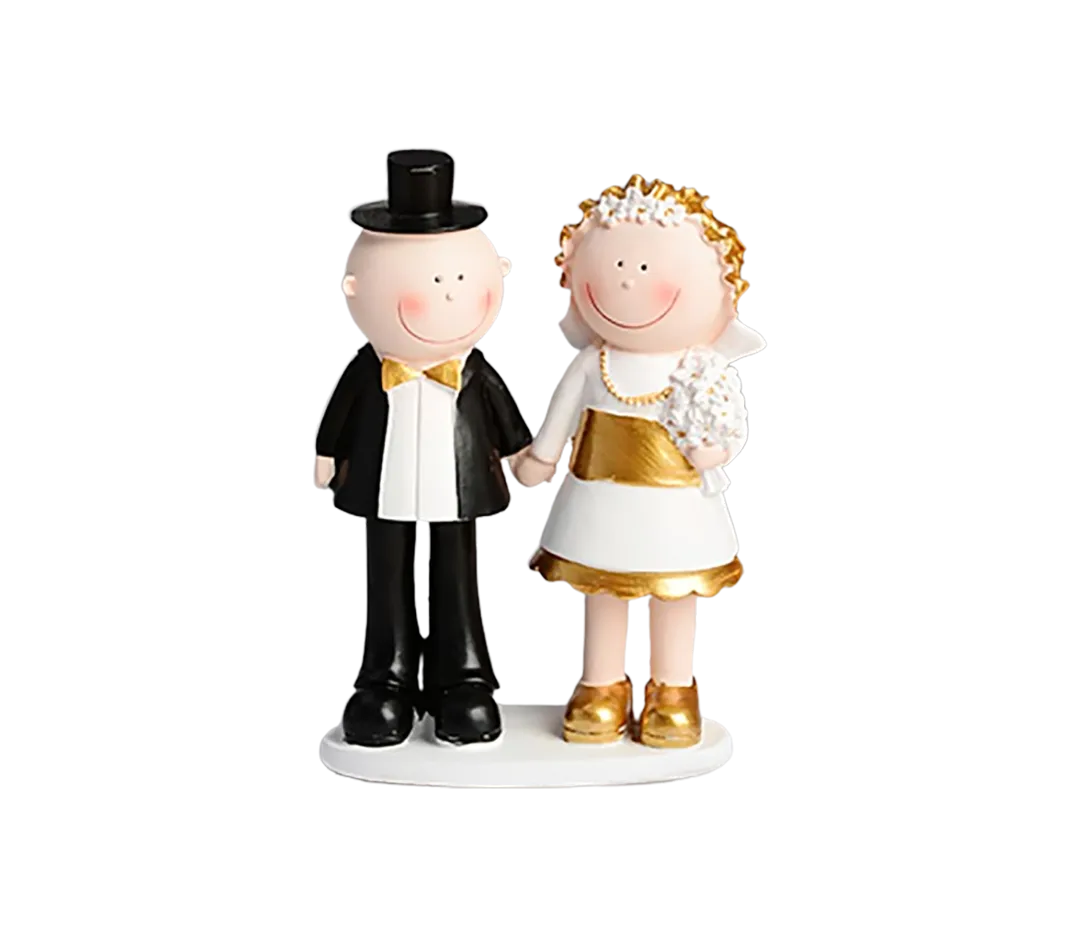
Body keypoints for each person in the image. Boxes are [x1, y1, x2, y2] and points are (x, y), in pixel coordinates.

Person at [515, 176, 766, 748]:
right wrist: (542, 457)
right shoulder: (592, 363)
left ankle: (673, 687)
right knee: (602, 590)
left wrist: (716, 450)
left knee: (673, 594)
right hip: (599, 498)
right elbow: (562, 417)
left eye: (647, 267)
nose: (628, 279)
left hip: (676, 504)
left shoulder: (700, 370)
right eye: (617, 265)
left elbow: (728, 427)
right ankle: (600, 683)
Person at [314, 149, 532, 747]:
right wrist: (326, 454)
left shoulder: (474, 371)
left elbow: (505, 419)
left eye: (460, 280)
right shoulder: (368, 371)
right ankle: (385, 675)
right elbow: (339, 418)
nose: (449, 297)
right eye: (432, 284)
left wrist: (522, 454)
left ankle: (462, 675)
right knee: (384, 573)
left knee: (458, 573)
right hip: (382, 482)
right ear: (354, 289)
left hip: (457, 483)